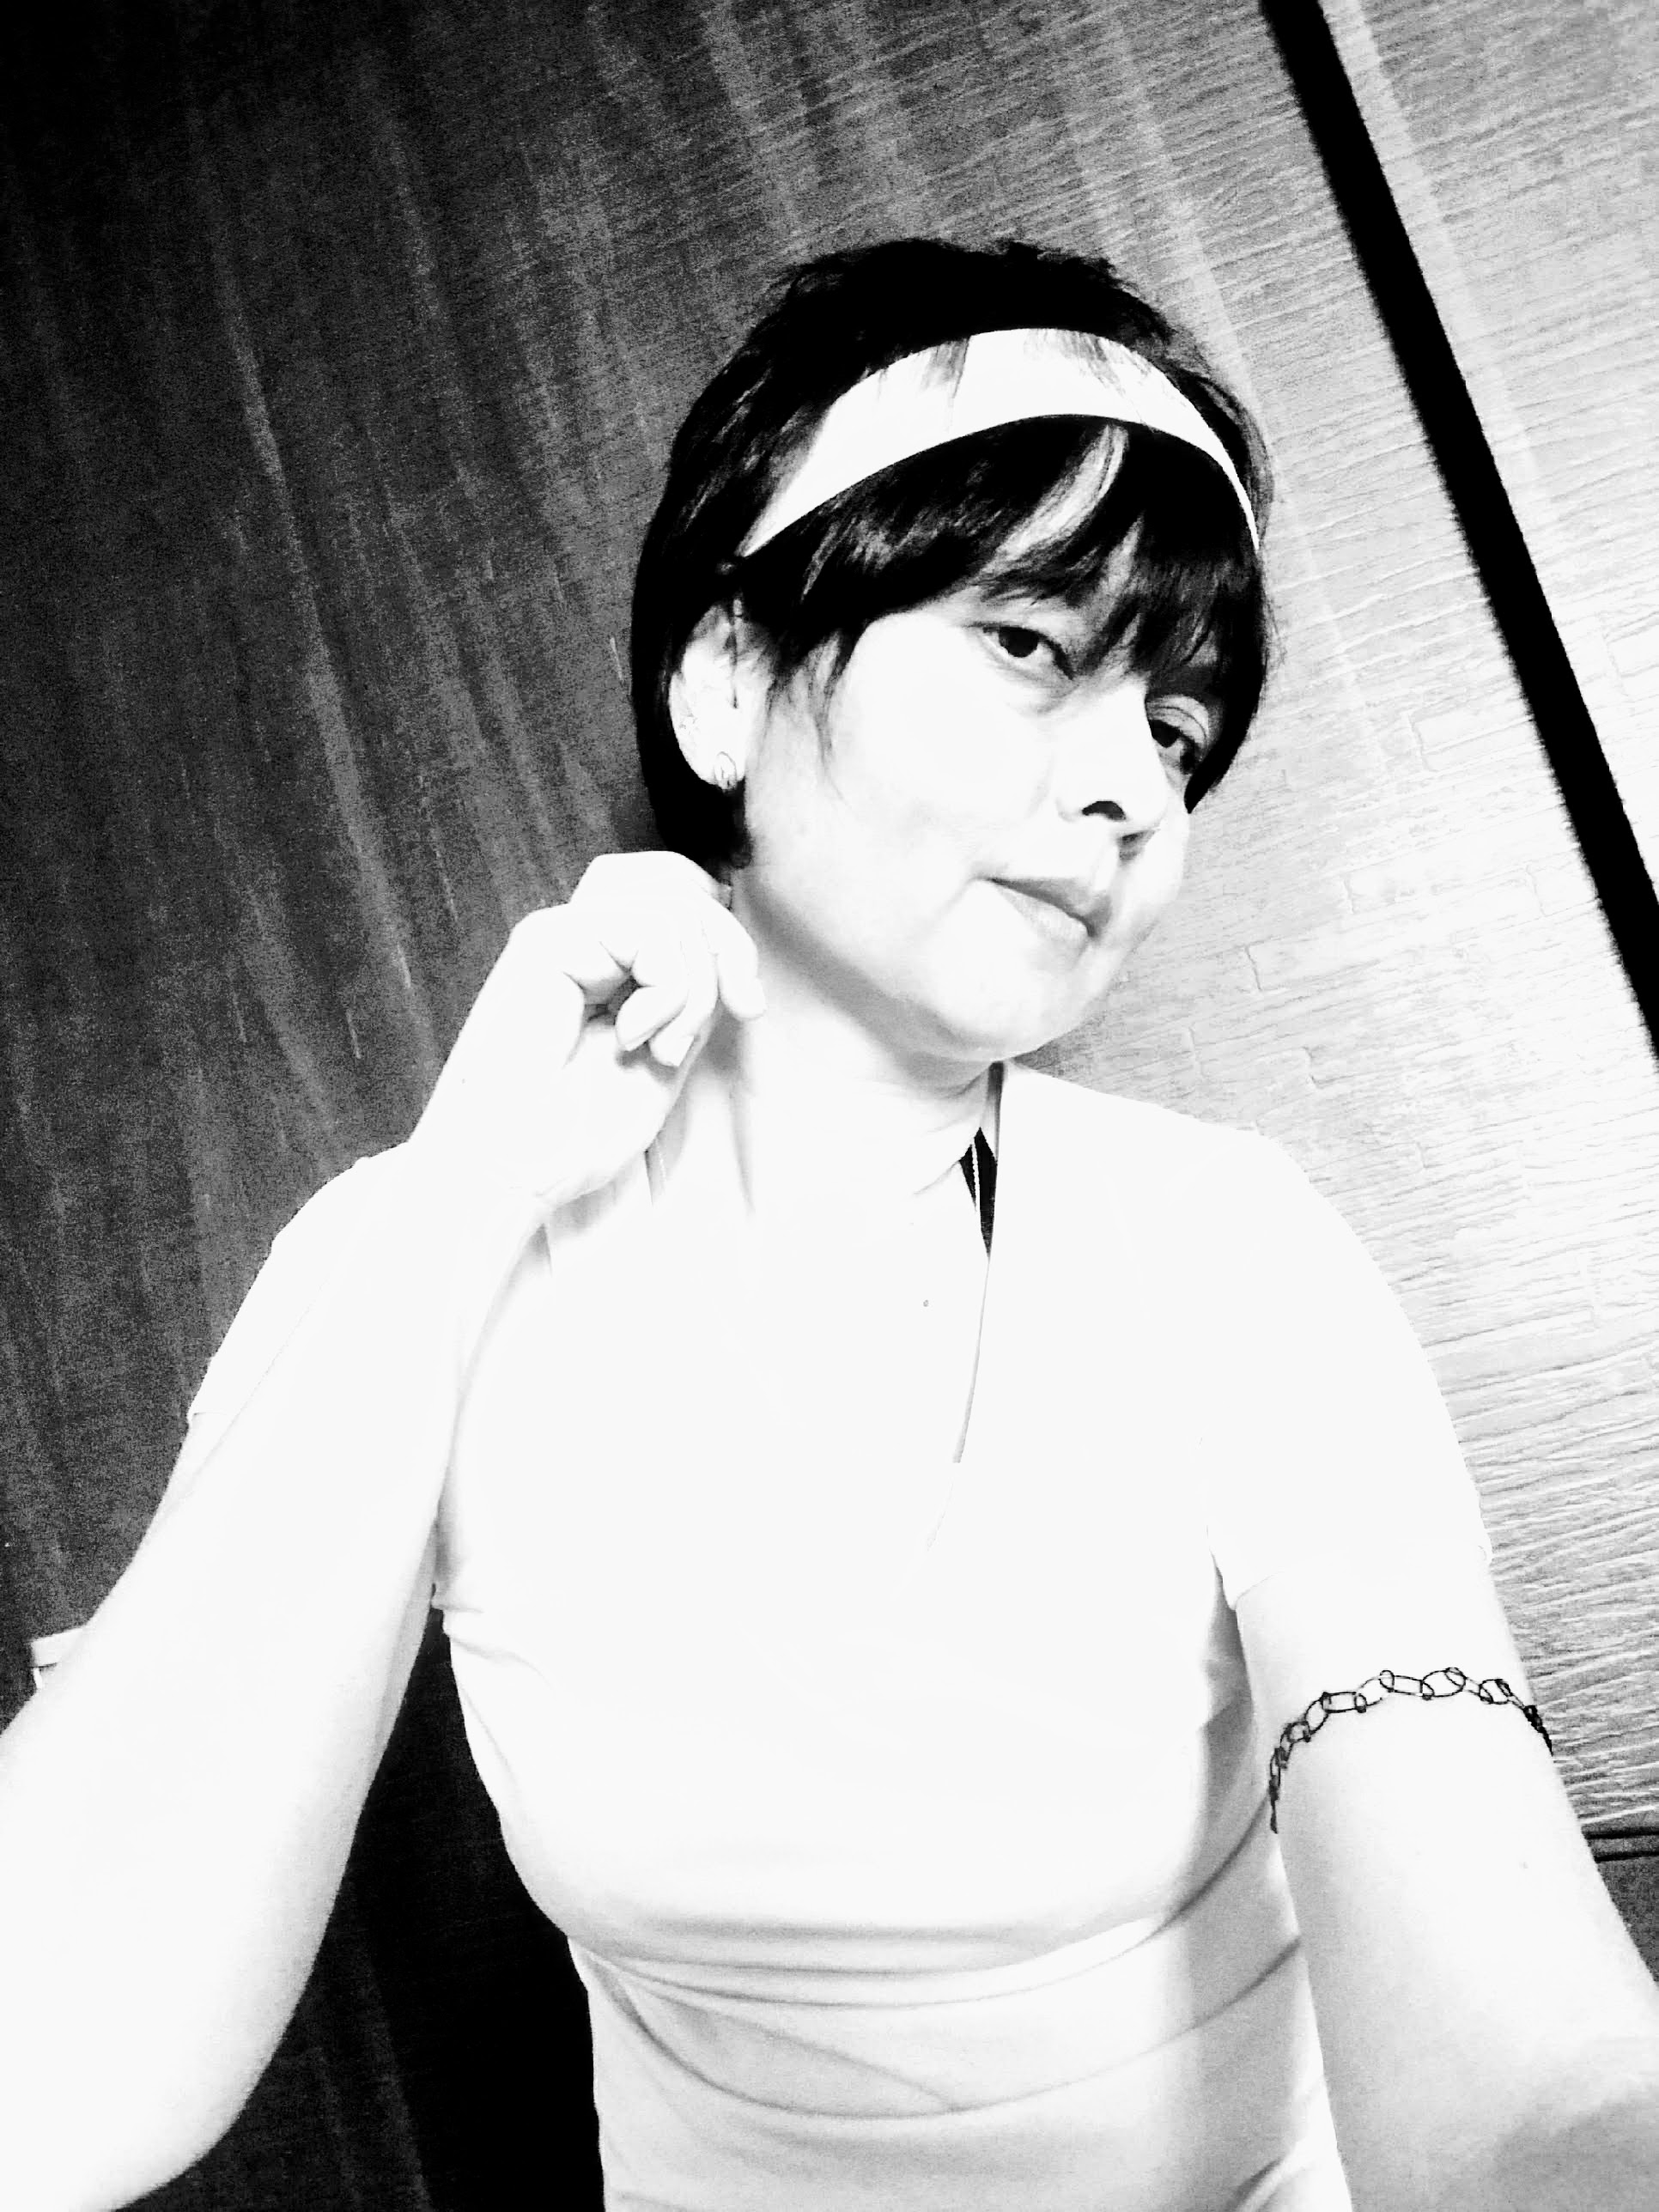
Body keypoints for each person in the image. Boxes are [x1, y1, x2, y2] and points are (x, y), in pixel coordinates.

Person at [2, 236, 1657, 2212]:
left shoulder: (1228, 1250)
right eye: (1032, 643)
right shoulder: (418, 1249)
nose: (1136, 789)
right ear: (727, 679)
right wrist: (460, 1204)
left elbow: (1519, 2055)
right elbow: (49, 2074)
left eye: (1180, 727)